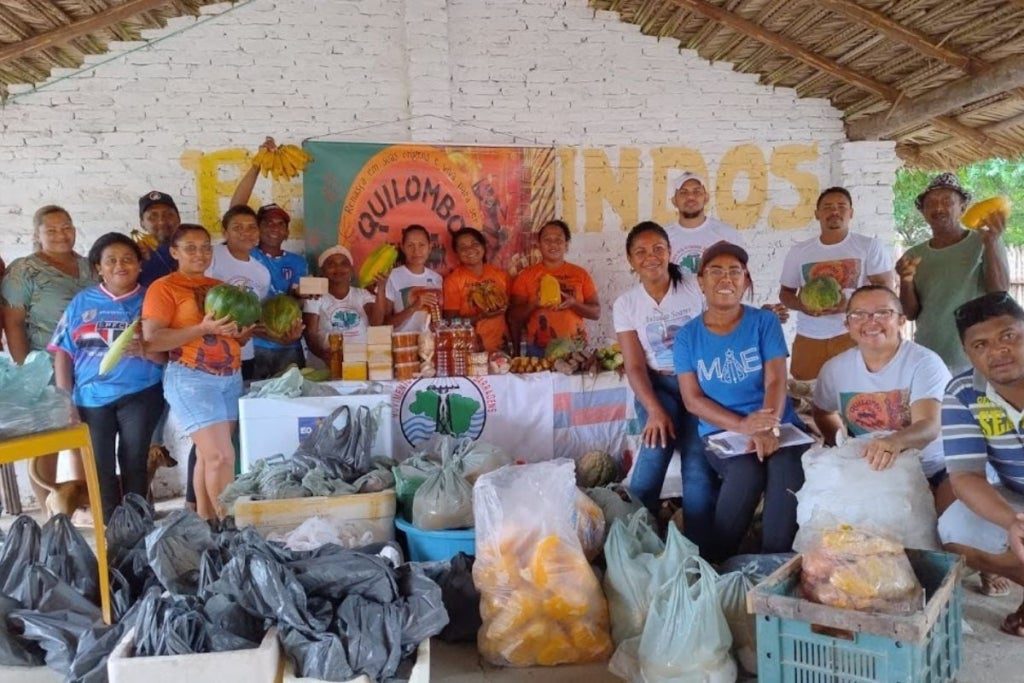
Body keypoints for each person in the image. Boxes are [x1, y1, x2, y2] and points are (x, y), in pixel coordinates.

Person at [674, 240, 807, 561]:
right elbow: (692, 400)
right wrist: (745, 426)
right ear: (701, 282)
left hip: (778, 424)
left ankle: (775, 564)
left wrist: (768, 425)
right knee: (746, 472)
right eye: (715, 271)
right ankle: (714, 563)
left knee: (786, 467)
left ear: (746, 281)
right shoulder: (687, 336)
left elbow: (776, 379)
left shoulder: (764, 323)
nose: (726, 278)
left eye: (735, 271)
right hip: (723, 433)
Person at [614, 221, 717, 550]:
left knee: (698, 464)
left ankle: (699, 551)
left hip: (699, 386)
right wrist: (655, 411)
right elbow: (634, 365)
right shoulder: (627, 305)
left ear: (670, 251)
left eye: (658, 248)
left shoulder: (693, 287)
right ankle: (632, 539)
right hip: (657, 387)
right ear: (631, 260)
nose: (651, 257)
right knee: (656, 447)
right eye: (640, 252)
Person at [49, 233, 165, 522]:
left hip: (141, 392)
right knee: (99, 466)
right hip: (91, 398)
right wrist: (66, 400)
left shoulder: (152, 299)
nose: (119, 266)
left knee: (134, 460)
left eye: (127, 259)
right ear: (98, 268)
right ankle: (110, 529)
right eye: (110, 260)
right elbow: (63, 352)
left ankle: (138, 526)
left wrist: (146, 349)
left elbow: (166, 356)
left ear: (139, 264)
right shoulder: (81, 302)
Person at [142, 224, 252, 520]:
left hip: (229, 378)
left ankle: (206, 525)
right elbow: (153, 338)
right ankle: (229, 528)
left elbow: (233, 336)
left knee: (207, 457)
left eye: (205, 247)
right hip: (192, 379)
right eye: (190, 248)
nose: (200, 253)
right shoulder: (164, 287)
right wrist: (203, 328)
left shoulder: (220, 287)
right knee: (222, 456)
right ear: (174, 252)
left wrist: (242, 333)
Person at [812, 285, 954, 511]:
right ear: (847, 325)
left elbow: (928, 425)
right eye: (858, 314)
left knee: (944, 528)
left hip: (932, 468)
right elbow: (822, 411)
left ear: (901, 321)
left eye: (883, 313)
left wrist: (894, 442)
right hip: (869, 470)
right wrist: (839, 445)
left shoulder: (925, 363)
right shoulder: (835, 369)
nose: (871, 321)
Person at [938, 292, 1024, 634]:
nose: (998, 351)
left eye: (1009, 336)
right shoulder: (963, 392)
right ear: (967, 353)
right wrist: (1013, 523)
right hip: (1016, 495)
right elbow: (966, 475)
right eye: (981, 345)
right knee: (955, 531)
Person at [2, 205, 96, 507]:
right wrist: (26, 373)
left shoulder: (89, 266)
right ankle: (50, 510)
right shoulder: (24, 270)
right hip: (45, 365)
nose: (61, 234)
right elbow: (13, 323)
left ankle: (86, 502)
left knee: (86, 435)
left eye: (66, 226)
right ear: (37, 234)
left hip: (90, 364)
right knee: (47, 441)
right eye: (51, 229)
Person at [897, 172, 1009, 374]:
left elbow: (998, 294)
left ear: (962, 208)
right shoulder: (914, 255)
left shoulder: (985, 240)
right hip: (928, 356)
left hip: (977, 358)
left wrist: (991, 244)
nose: (938, 208)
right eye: (930, 203)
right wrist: (905, 280)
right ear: (922, 212)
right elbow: (910, 313)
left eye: (947, 201)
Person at [779, 187, 895, 381]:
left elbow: (886, 293)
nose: (835, 211)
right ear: (817, 214)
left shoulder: (868, 246)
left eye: (842, 206)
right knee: (808, 396)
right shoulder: (799, 252)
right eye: (827, 207)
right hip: (810, 337)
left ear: (851, 213)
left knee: (854, 394)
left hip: (854, 335)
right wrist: (803, 306)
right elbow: (785, 293)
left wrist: (851, 306)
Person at [230, 137, 308, 377]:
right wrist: (257, 164)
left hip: (290, 346)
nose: (274, 227)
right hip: (256, 348)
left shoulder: (299, 262)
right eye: (267, 222)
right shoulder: (245, 254)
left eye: (280, 223)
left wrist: (298, 302)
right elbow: (235, 210)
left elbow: (301, 304)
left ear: (287, 231)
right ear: (257, 228)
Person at [509, 220, 600, 355]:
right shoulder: (525, 276)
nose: (553, 244)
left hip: (574, 348)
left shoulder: (580, 274)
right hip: (537, 350)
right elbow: (513, 318)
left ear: (566, 245)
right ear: (539, 245)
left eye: (558, 240)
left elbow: (596, 313)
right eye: (547, 240)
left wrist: (573, 304)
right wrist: (533, 305)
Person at [205, 205, 274, 380]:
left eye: (252, 227)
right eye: (237, 228)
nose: (246, 233)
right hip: (210, 353)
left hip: (244, 353)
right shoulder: (211, 255)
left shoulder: (262, 272)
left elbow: (254, 312)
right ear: (225, 232)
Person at [303, 246, 386, 363]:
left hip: (360, 364)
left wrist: (381, 289)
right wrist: (322, 355)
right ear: (322, 270)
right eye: (331, 264)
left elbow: (376, 323)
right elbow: (310, 334)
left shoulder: (363, 295)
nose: (338, 268)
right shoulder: (315, 296)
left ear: (351, 270)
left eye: (344, 263)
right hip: (327, 366)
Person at [442, 227, 511, 352]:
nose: (470, 250)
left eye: (474, 244)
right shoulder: (453, 280)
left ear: (483, 246)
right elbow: (450, 322)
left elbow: (510, 312)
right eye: (463, 247)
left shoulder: (500, 275)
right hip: (470, 350)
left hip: (500, 347)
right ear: (456, 253)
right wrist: (480, 316)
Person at [664, 172, 745, 274]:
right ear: (674, 201)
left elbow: (741, 276)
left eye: (697, 192)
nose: (690, 197)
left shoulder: (727, 235)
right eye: (683, 192)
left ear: (706, 198)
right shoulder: (662, 236)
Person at [383, 225, 443, 333]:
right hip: (402, 343)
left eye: (421, 245)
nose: (416, 251)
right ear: (402, 247)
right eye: (410, 245)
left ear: (430, 247)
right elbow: (385, 323)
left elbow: (438, 320)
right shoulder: (391, 276)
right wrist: (415, 306)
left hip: (429, 343)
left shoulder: (437, 279)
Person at [137, 191, 181, 287]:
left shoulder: (195, 249)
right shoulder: (136, 254)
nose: (161, 222)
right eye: (153, 216)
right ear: (142, 223)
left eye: (168, 214)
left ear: (178, 219)